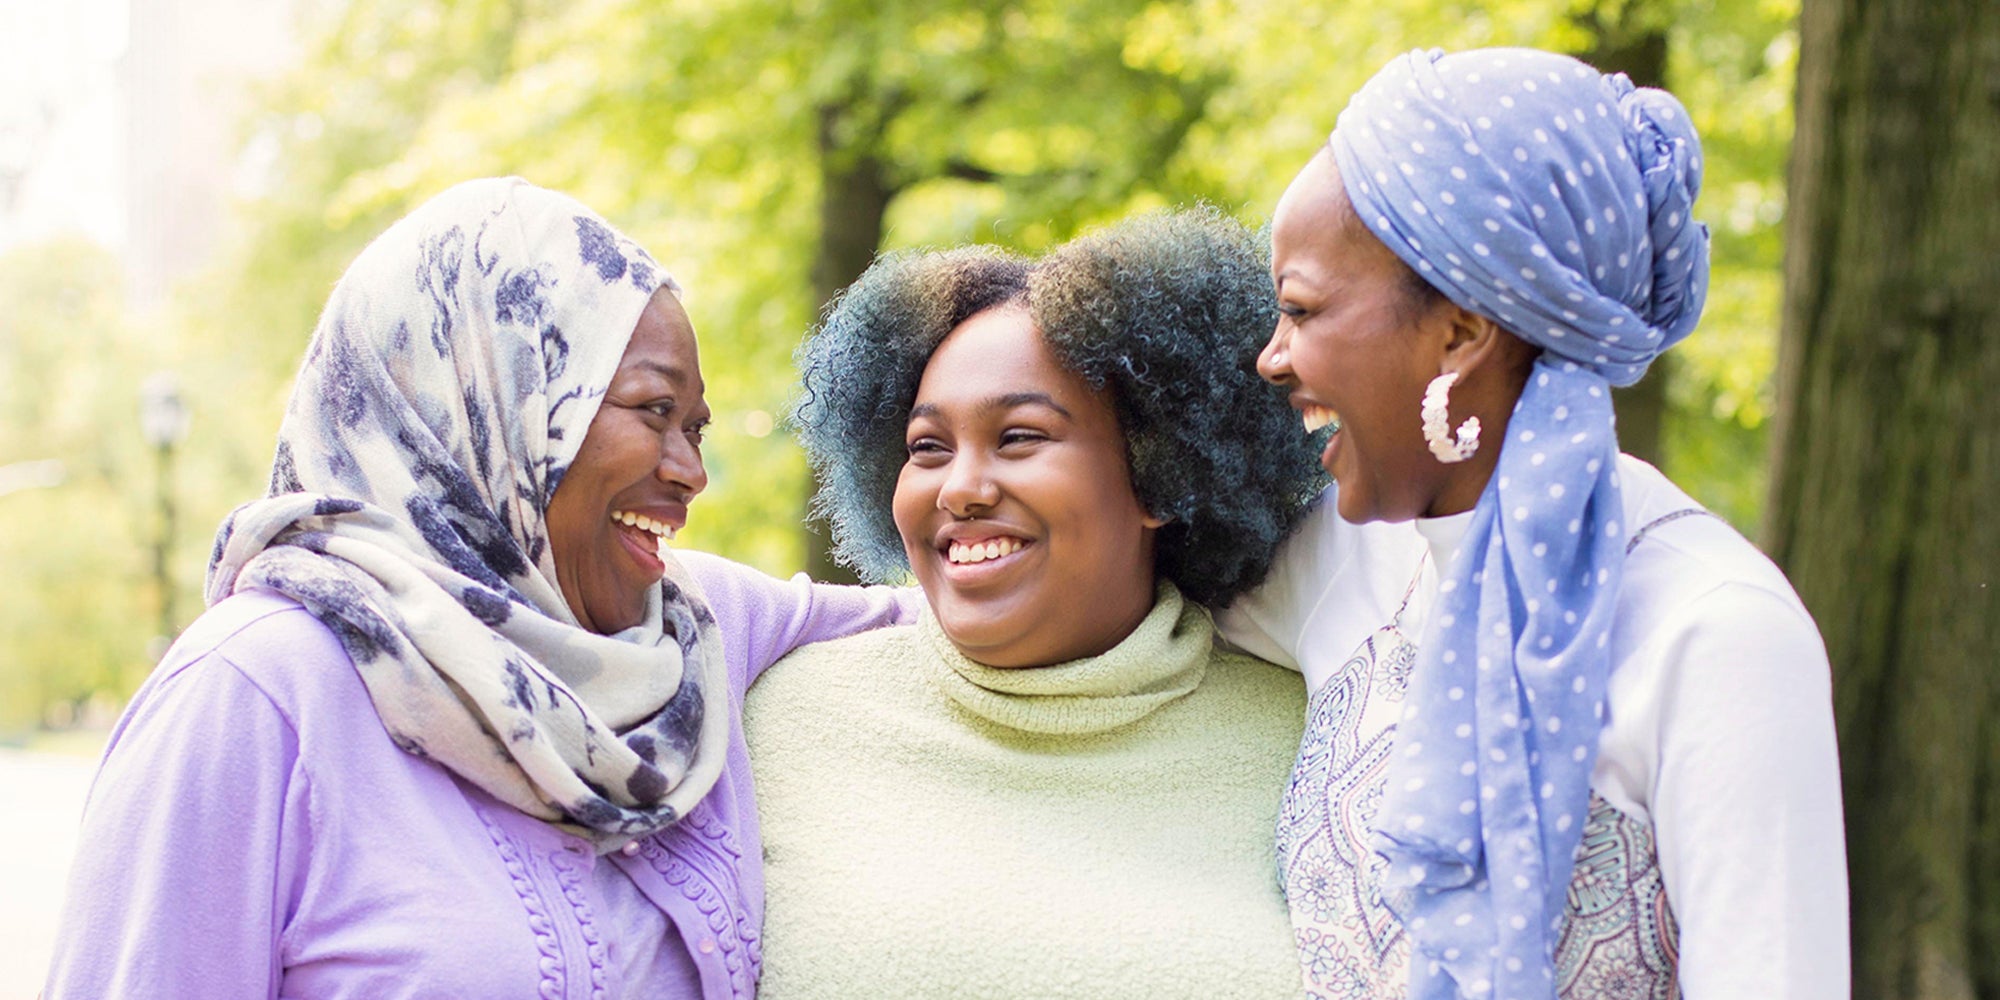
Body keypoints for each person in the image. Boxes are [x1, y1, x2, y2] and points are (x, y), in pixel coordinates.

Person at [44, 178, 912, 1000]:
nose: (691, 473)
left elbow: (968, 619)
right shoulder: (254, 693)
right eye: (653, 410)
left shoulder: (696, 635)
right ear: (494, 403)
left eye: (697, 429)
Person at [1217, 48, 1848, 999]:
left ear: (1462, 334)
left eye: (1302, 309)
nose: (1272, 357)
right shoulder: (1338, 556)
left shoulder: (1719, 635)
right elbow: (1097, 605)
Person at [745, 209, 1325, 997]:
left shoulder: (1310, 739)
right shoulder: (782, 721)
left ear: (1160, 474)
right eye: (927, 448)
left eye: (1019, 437)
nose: (961, 488)